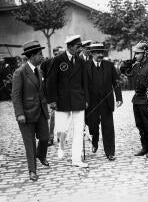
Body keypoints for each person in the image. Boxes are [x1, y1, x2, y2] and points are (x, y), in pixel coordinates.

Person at [47, 35, 89, 168]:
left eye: (81, 47)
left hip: (78, 100)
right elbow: (51, 81)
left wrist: (86, 99)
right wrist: (52, 100)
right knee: (62, 129)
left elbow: (85, 82)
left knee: (78, 130)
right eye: (78, 47)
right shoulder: (58, 60)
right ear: (69, 47)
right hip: (62, 101)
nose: (80, 49)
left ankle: (76, 159)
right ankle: (61, 149)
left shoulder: (81, 61)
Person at [11, 40, 50, 181]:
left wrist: (47, 106)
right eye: (40, 54)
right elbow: (15, 95)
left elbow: (41, 92)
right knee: (30, 144)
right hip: (26, 114)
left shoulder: (39, 71)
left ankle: (41, 154)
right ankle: (32, 171)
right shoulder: (19, 72)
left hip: (40, 112)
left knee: (46, 137)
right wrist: (19, 113)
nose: (42, 56)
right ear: (32, 56)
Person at [84, 43, 123, 161]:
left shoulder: (109, 65)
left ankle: (110, 152)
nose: (101, 55)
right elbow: (82, 85)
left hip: (106, 103)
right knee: (93, 127)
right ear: (92, 54)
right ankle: (94, 140)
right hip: (91, 104)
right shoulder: (85, 66)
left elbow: (116, 82)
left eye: (102, 52)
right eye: (97, 52)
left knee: (108, 128)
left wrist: (119, 98)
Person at [40, 46, 64, 146]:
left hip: (64, 93)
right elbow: (43, 78)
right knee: (53, 116)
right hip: (53, 95)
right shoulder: (46, 63)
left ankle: (60, 136)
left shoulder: (65, 63)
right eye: (57, 54)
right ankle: (51, 137)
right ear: (54, 54)